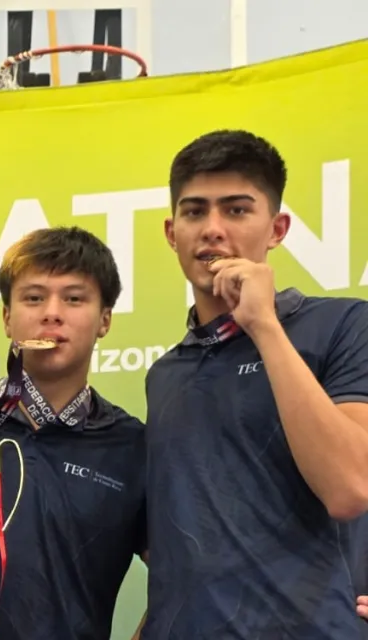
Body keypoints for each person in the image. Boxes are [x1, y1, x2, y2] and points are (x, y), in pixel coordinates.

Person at [141, 129, 368, 638]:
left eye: (237, 210)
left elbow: (350, 488)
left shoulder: (344, 325)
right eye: (195, 211)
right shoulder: (165, 375)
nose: (213, 229)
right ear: (171, 232)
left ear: (277, 228)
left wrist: (263, 324)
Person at [0, 227, 148, 640]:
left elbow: (184, 574)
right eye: (33, 297)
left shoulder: (133, 447)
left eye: (74, 298)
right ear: (8, 318)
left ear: (105, 320)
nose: (52, 312)